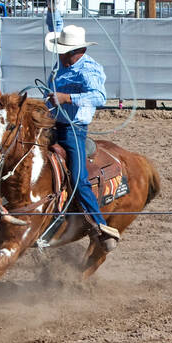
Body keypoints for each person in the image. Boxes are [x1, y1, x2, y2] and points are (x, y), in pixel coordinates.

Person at [43, 24, 120, 248]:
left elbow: (99, 96)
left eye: (65, 52)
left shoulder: (90, 69)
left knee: (78, 178)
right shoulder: (60, 67)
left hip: (73, 128)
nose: (61, 55)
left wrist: (67, 98)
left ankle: (100, 226)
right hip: (52, 123)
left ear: (78, 51)